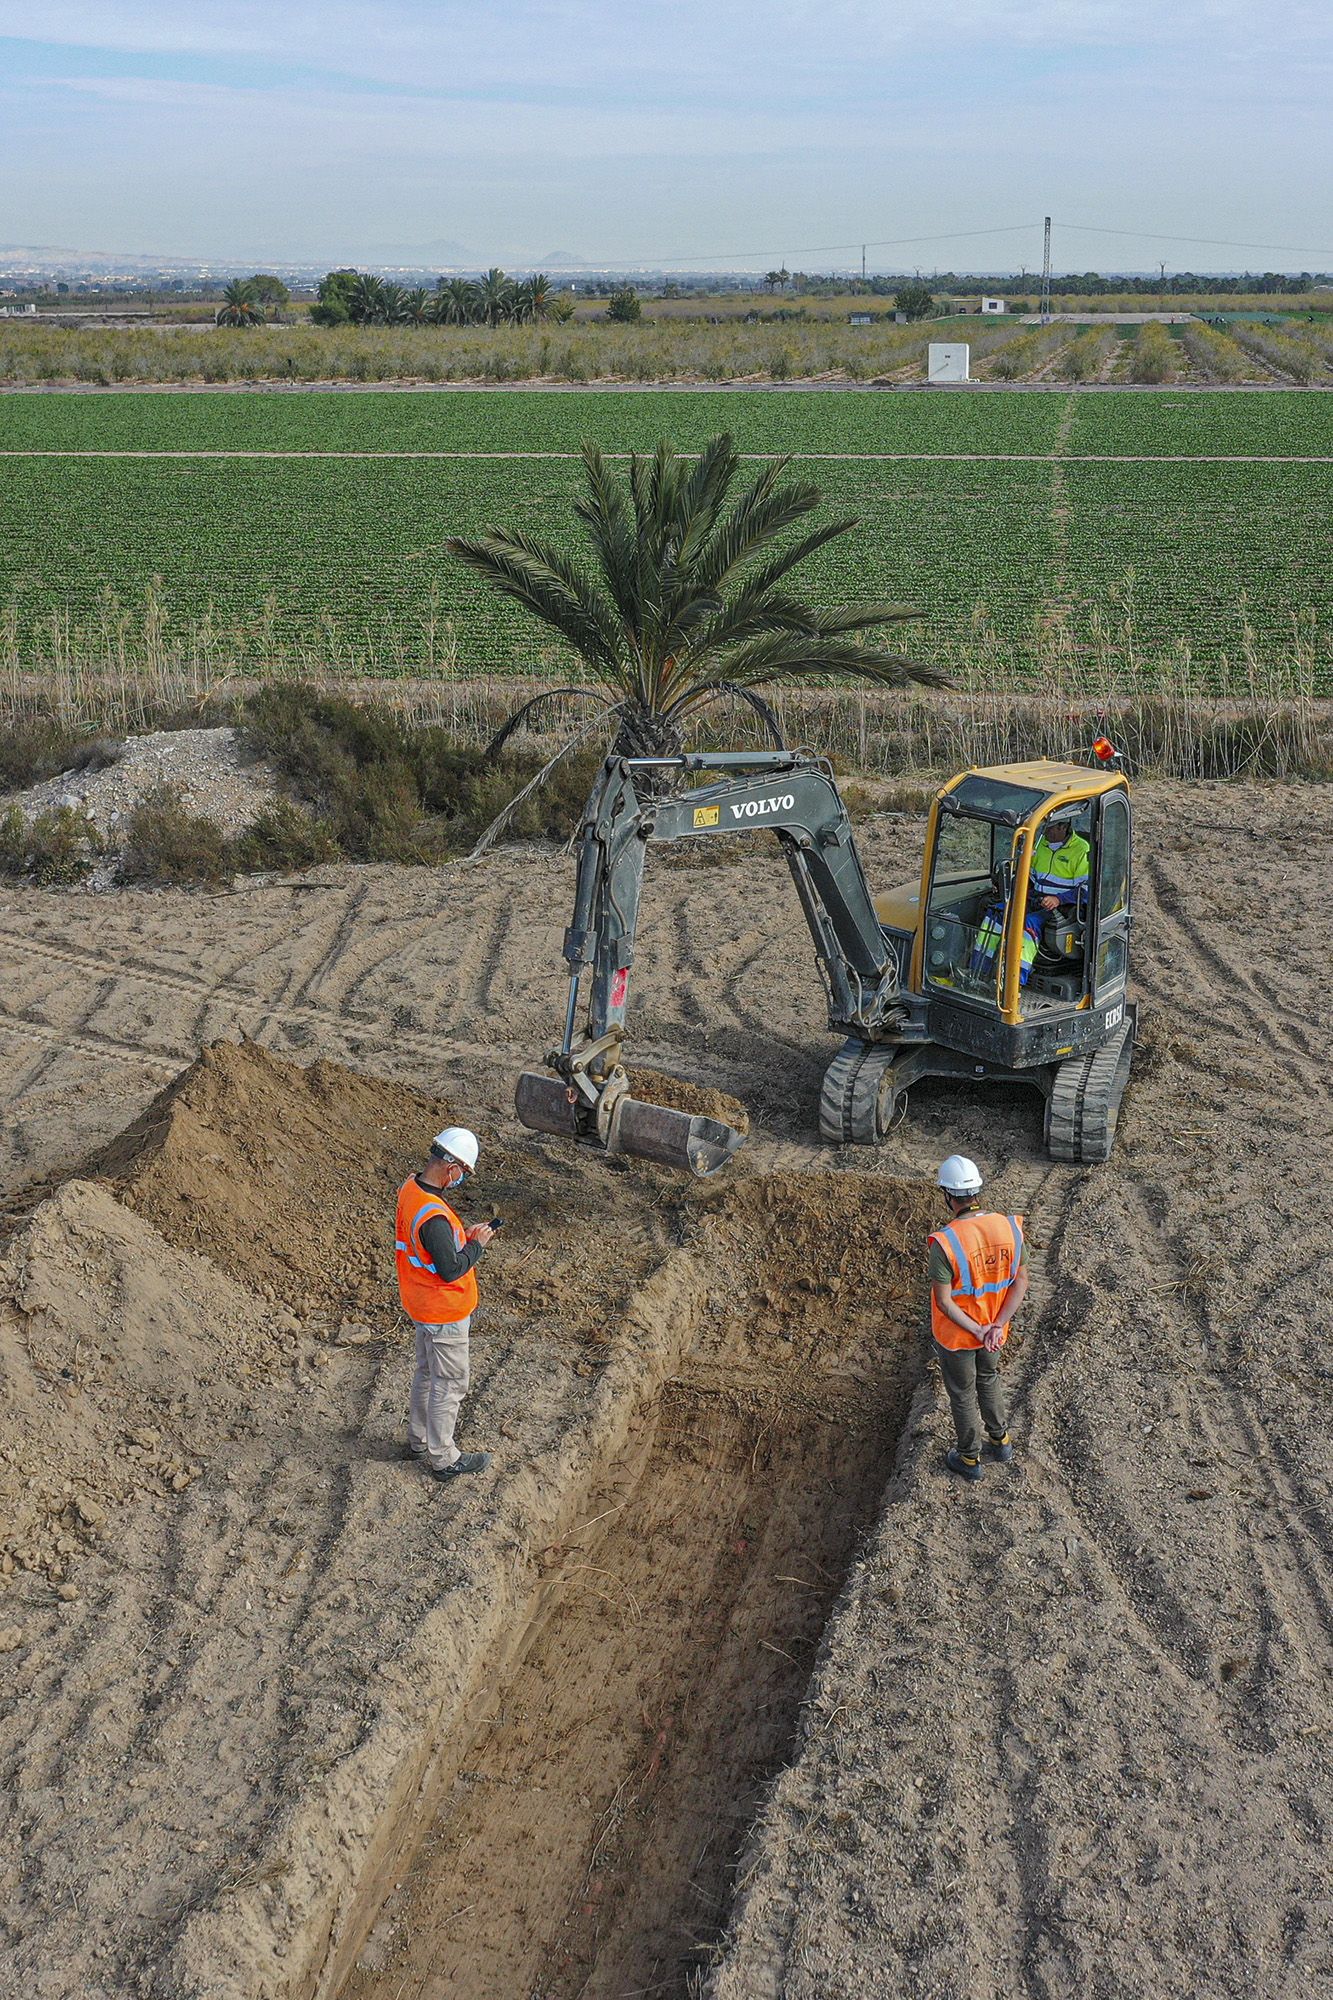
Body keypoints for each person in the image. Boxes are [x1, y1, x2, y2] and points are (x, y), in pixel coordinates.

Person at [394, 1127, 496, 1483]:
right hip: (443, 1310)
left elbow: (431, 1247)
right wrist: (477, 1245)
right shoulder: (434, 1216)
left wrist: (460, 1239)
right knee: (450, 1382)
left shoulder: (411, 1189)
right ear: (451, 1166)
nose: (463, 1179)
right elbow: (451, 1268)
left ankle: (419, 1441)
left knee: (426, 1374)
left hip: (421, 1303)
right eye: (464, 1172)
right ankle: (443, 1458)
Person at [928, 1154, 1028, 1483]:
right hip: (994, 1331)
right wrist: (996, 1326)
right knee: (989, 1378)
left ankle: (969, 1458)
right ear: (977, 1191)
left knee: (961, 1392)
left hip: (959, 1335)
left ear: (947, 1195)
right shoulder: (1009, 1227)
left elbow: (944, 1302)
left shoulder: (946, 1242)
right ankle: (1000, 1442)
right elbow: (1021, 1282)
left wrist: (977, 1329)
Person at [971, 811, 1091, 988]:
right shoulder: (1042, 842)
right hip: (1035, 899)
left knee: (1027, 924)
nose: (1046, 832)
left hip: (1062, 908)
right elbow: (1029, 875)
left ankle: (1014, 982)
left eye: (1049, 828)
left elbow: (1086, 890)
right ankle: (978, 972)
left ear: (1063, 827)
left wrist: (1058, 899)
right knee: (995, 913)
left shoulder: (1081, 851)